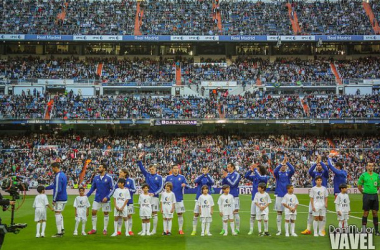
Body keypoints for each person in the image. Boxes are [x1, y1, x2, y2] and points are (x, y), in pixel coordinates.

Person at [138, 153, 164, 235]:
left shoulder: (159, 177)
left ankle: (154, 230)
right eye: (150, 169)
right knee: (144, 213)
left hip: (155, 197)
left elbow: (161, 187)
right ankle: (143, 230)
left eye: (152, 169)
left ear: (155, 169)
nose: (151, 170)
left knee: (154, 213)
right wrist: (139, 159)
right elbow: (141, 168)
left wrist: (155, 193)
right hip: (146, 197)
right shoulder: (147, 175)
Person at [302, 155, 329, 235]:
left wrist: (320, 162)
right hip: (314, 197)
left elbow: (326, 170)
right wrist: (316, 162)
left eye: (320, 165)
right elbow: (310, 171)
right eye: (318, 165)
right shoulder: (314, 174)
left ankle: (322, 229)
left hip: (322, 196)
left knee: (323, 214)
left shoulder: (324, 174)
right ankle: (308, 229)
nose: (319, 166)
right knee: (310, 212)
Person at [86, 162, 115, 235]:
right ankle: (94, 229)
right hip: (97, 198)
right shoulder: (96, 178)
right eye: (99, 167)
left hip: (106, 200)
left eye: (100, 167)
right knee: (93, 212)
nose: (99, 168)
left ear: (104, 169)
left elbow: (113, 189)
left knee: (106, 213)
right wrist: (86, 196)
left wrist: (107, 197)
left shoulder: (109, 178)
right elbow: (92, 188)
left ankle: (105, 229)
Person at [245, 162, 270, 235]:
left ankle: (265, 230)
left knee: (264, 217)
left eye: (258, 170)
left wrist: (255, 169)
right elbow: (246, 176)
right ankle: (251, 229)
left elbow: (260, 177)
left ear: (261, 170)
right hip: (254, 199)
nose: (256, 171)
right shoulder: (255, 177)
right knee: (252, 215)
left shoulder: (265, 177)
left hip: (262, 201)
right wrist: (251, 170)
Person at [273, 156, 295, 236]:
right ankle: (279, 230)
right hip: (279, 195)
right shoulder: (278, 174)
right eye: (282, 165)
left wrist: (287, 162)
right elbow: (275, 171)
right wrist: (281, 163)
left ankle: (290, 231)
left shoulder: (288, 174)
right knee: (279, 213)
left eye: (284, 165)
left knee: (289, 213)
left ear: (286, 167)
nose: (283, 166)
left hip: (287, 195)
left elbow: (293, 170)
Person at [46, 162, 68, 238]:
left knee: (57, 214)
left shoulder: (58, 176)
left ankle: (59, 232)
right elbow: (55, 186)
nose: (52, 169)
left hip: (59, 198)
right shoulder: (63, 175)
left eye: (52, 168)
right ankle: (62, 228)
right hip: (64, 197)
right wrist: (45, 188)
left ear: (55, 167)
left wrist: (54, 199)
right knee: (60, 213)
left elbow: (58, 189)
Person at [165, 164, 189, 234]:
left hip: (179, 199)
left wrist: (185, 185)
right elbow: (164, 186)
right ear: (172, 169)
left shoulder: (182, 177)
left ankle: (180, 229)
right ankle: (167, 229)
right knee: (168, 215)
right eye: (174, 168)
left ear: (178, 169)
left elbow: (188, 186)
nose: (175, 170)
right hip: (169, 200)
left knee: (180, 214)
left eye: (177, 168)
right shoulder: (168, 177)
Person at [358, 162, 380, 235]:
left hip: (374, 195)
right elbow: (359, 186)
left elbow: (378, 186)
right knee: (366, 212)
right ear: (367, 167)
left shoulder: (377, 176)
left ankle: (376, 231)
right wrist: (364, 193)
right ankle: (364, 230)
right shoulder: (363, 175)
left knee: (375, 213)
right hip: (366, 195)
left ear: (373, 167)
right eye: (369, 166)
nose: (371, 167)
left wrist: (374, 191)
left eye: (372, 166)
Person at [191, 166, 214, 236]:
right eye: (204, 170)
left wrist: (207, 176)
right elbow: (195, 181)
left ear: (208, 170)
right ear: (202, 170)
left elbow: (212, 182)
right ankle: (194, 230)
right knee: (196, 214)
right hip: (198, 197)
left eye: (206, 170)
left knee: (207, 215)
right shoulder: (200, 177)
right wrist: (203, 175)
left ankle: (206, 231)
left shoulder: (209, 177)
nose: (205, 171)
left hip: (207, 198)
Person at [115, 169, 136, 236]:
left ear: (125, 173)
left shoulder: (131, 180)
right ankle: (119, 230)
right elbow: (115, 189)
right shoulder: (118, 181)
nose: (119, 173)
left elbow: (134, 190)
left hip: (129, 201)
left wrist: (127, 189)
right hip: (120, 202)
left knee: (129, 215)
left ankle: (129, 230)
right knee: (120, 216)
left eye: (121, 172)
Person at [221, 163, 241, 234]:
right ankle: (224, 229)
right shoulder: (228, 175)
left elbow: (233, 184)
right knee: (224, 213)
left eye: (229, 167)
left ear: (233, 167)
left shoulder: (237, 175)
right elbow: (223, 185)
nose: (228, 168)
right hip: (226, 196)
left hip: (234, 196)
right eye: (227, 167)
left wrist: (226, 177)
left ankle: (237, 228)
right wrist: (223, 178)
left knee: (235, 212)